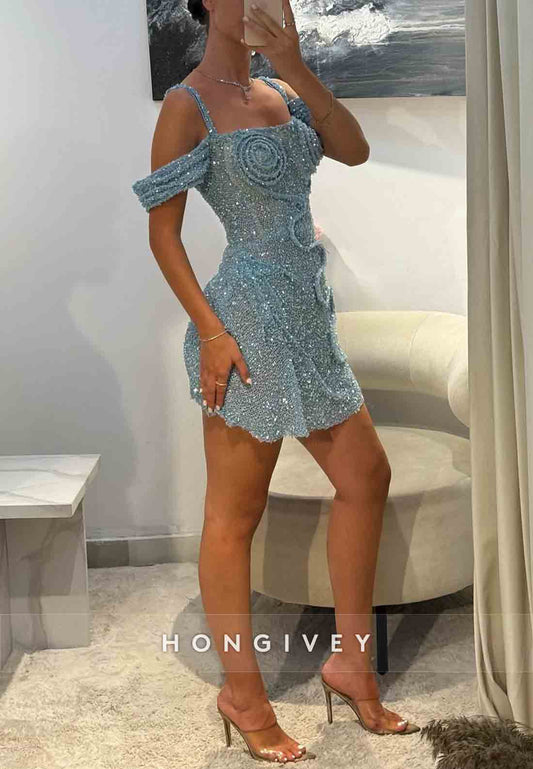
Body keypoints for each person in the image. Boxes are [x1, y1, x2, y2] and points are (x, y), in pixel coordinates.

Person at [132, 0, 420, 761]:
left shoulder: (285, 92)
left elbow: (353, 150)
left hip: (309, 317)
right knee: (234, 513)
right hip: (246, 326)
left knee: (366, 475)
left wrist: (292, 64)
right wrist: (212, 332)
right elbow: (163, 235)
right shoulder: (186, 103)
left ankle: (351, 662)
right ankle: (242, 692)